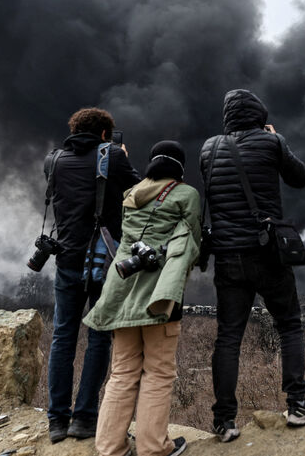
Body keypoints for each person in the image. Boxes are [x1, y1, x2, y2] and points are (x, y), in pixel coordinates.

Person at [199, 89, 305, 443]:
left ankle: (224, 422)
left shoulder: (209, 148)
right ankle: (297, 404)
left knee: (228, 338)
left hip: (228, 257)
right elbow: (300, 177)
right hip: (267, 252)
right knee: (289, 325)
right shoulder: (271, 142)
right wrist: (275, 140)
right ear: (258, 115)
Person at [84, 140, 199, 456]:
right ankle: (153, 448)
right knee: (159, 372)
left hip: (122, 295)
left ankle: (110, 447)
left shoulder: (130, 196)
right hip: (159, 299)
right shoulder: (186, 194)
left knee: (121, 373)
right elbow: (191, 244)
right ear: (179, 168)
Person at [46, 108, 140, 443]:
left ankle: (56, 421)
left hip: (67, 259)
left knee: (63, 337)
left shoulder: (53, 160)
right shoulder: (112, 156)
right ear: (104, 134)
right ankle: (84, 419)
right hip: (103, 259)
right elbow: (142, 191)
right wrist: (120, 158)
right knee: (99, 337)